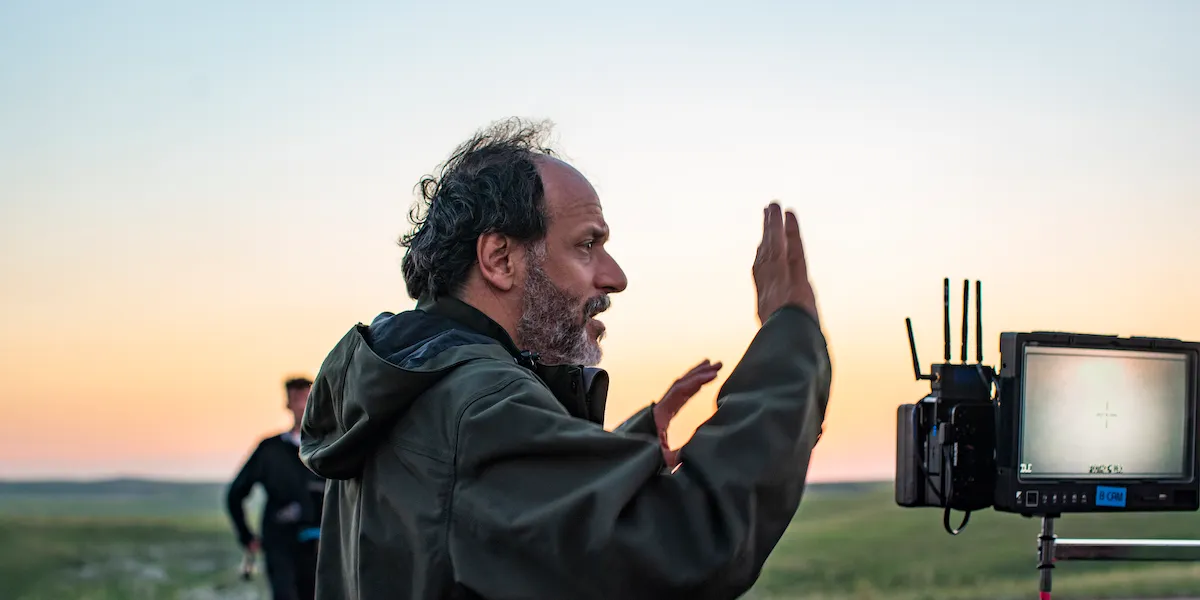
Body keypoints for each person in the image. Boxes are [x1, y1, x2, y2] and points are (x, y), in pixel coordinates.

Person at [299, 118, 832, 600]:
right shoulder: (478, 407)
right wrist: (790, 342)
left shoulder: (406, 382)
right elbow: (685, 542)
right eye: (587, 245)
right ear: (500, 259)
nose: (614, 277)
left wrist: (635, 442)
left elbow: (482, 532)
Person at [227, 376, 326, 600]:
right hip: (281, 542)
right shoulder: (270, 450)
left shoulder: (329, 448)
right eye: (296, 398)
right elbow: (235, 493)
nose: (301, 405)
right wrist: (246, 536)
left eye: (306, 398)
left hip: (324, 545)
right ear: (288, 404)